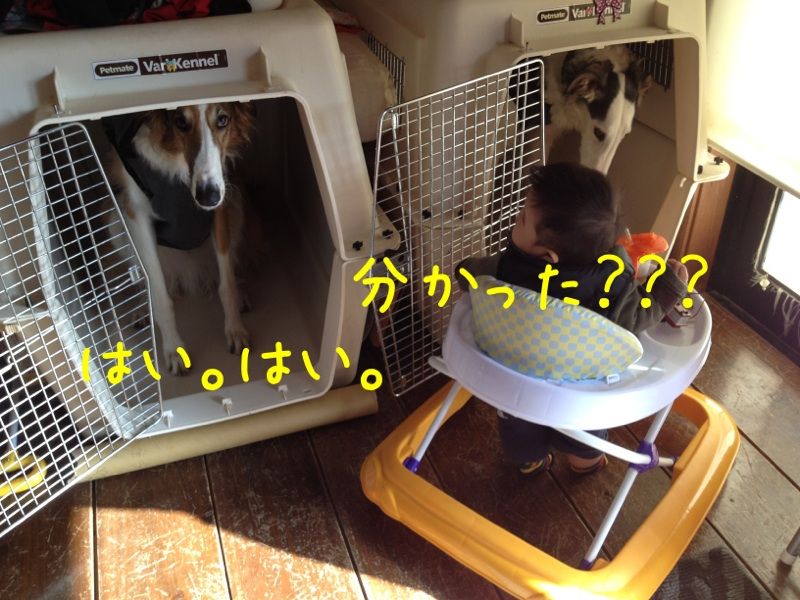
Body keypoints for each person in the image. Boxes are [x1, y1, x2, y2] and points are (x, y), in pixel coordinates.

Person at [458, 163, 688, 476]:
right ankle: (585, 463)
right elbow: (641, 314)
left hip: (516, 379)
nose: (516, 219)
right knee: (584, 434)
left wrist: (463, 269)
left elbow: (469, 275)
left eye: (522, 218)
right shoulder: (613, 289)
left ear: (548, 256)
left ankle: (530, 460)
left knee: (519, 427)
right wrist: (668, 286)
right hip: (579, 391)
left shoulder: (505, 268)